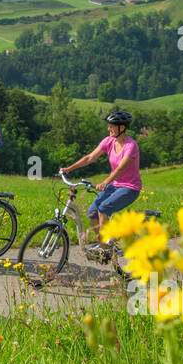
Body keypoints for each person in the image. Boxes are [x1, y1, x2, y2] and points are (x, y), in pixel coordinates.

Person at [61, 108, 142, 255]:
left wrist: (105, 182)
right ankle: (103, 246)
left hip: (130, 188)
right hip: (114, 185)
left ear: (122, 127)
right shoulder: (108, 141)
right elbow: (90, 158)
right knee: (92, 212)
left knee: (104, 208)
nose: (108, 128)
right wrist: (69, 168)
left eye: (111, 126)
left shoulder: (131, 146)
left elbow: (119, 170)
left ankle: (106, 247)